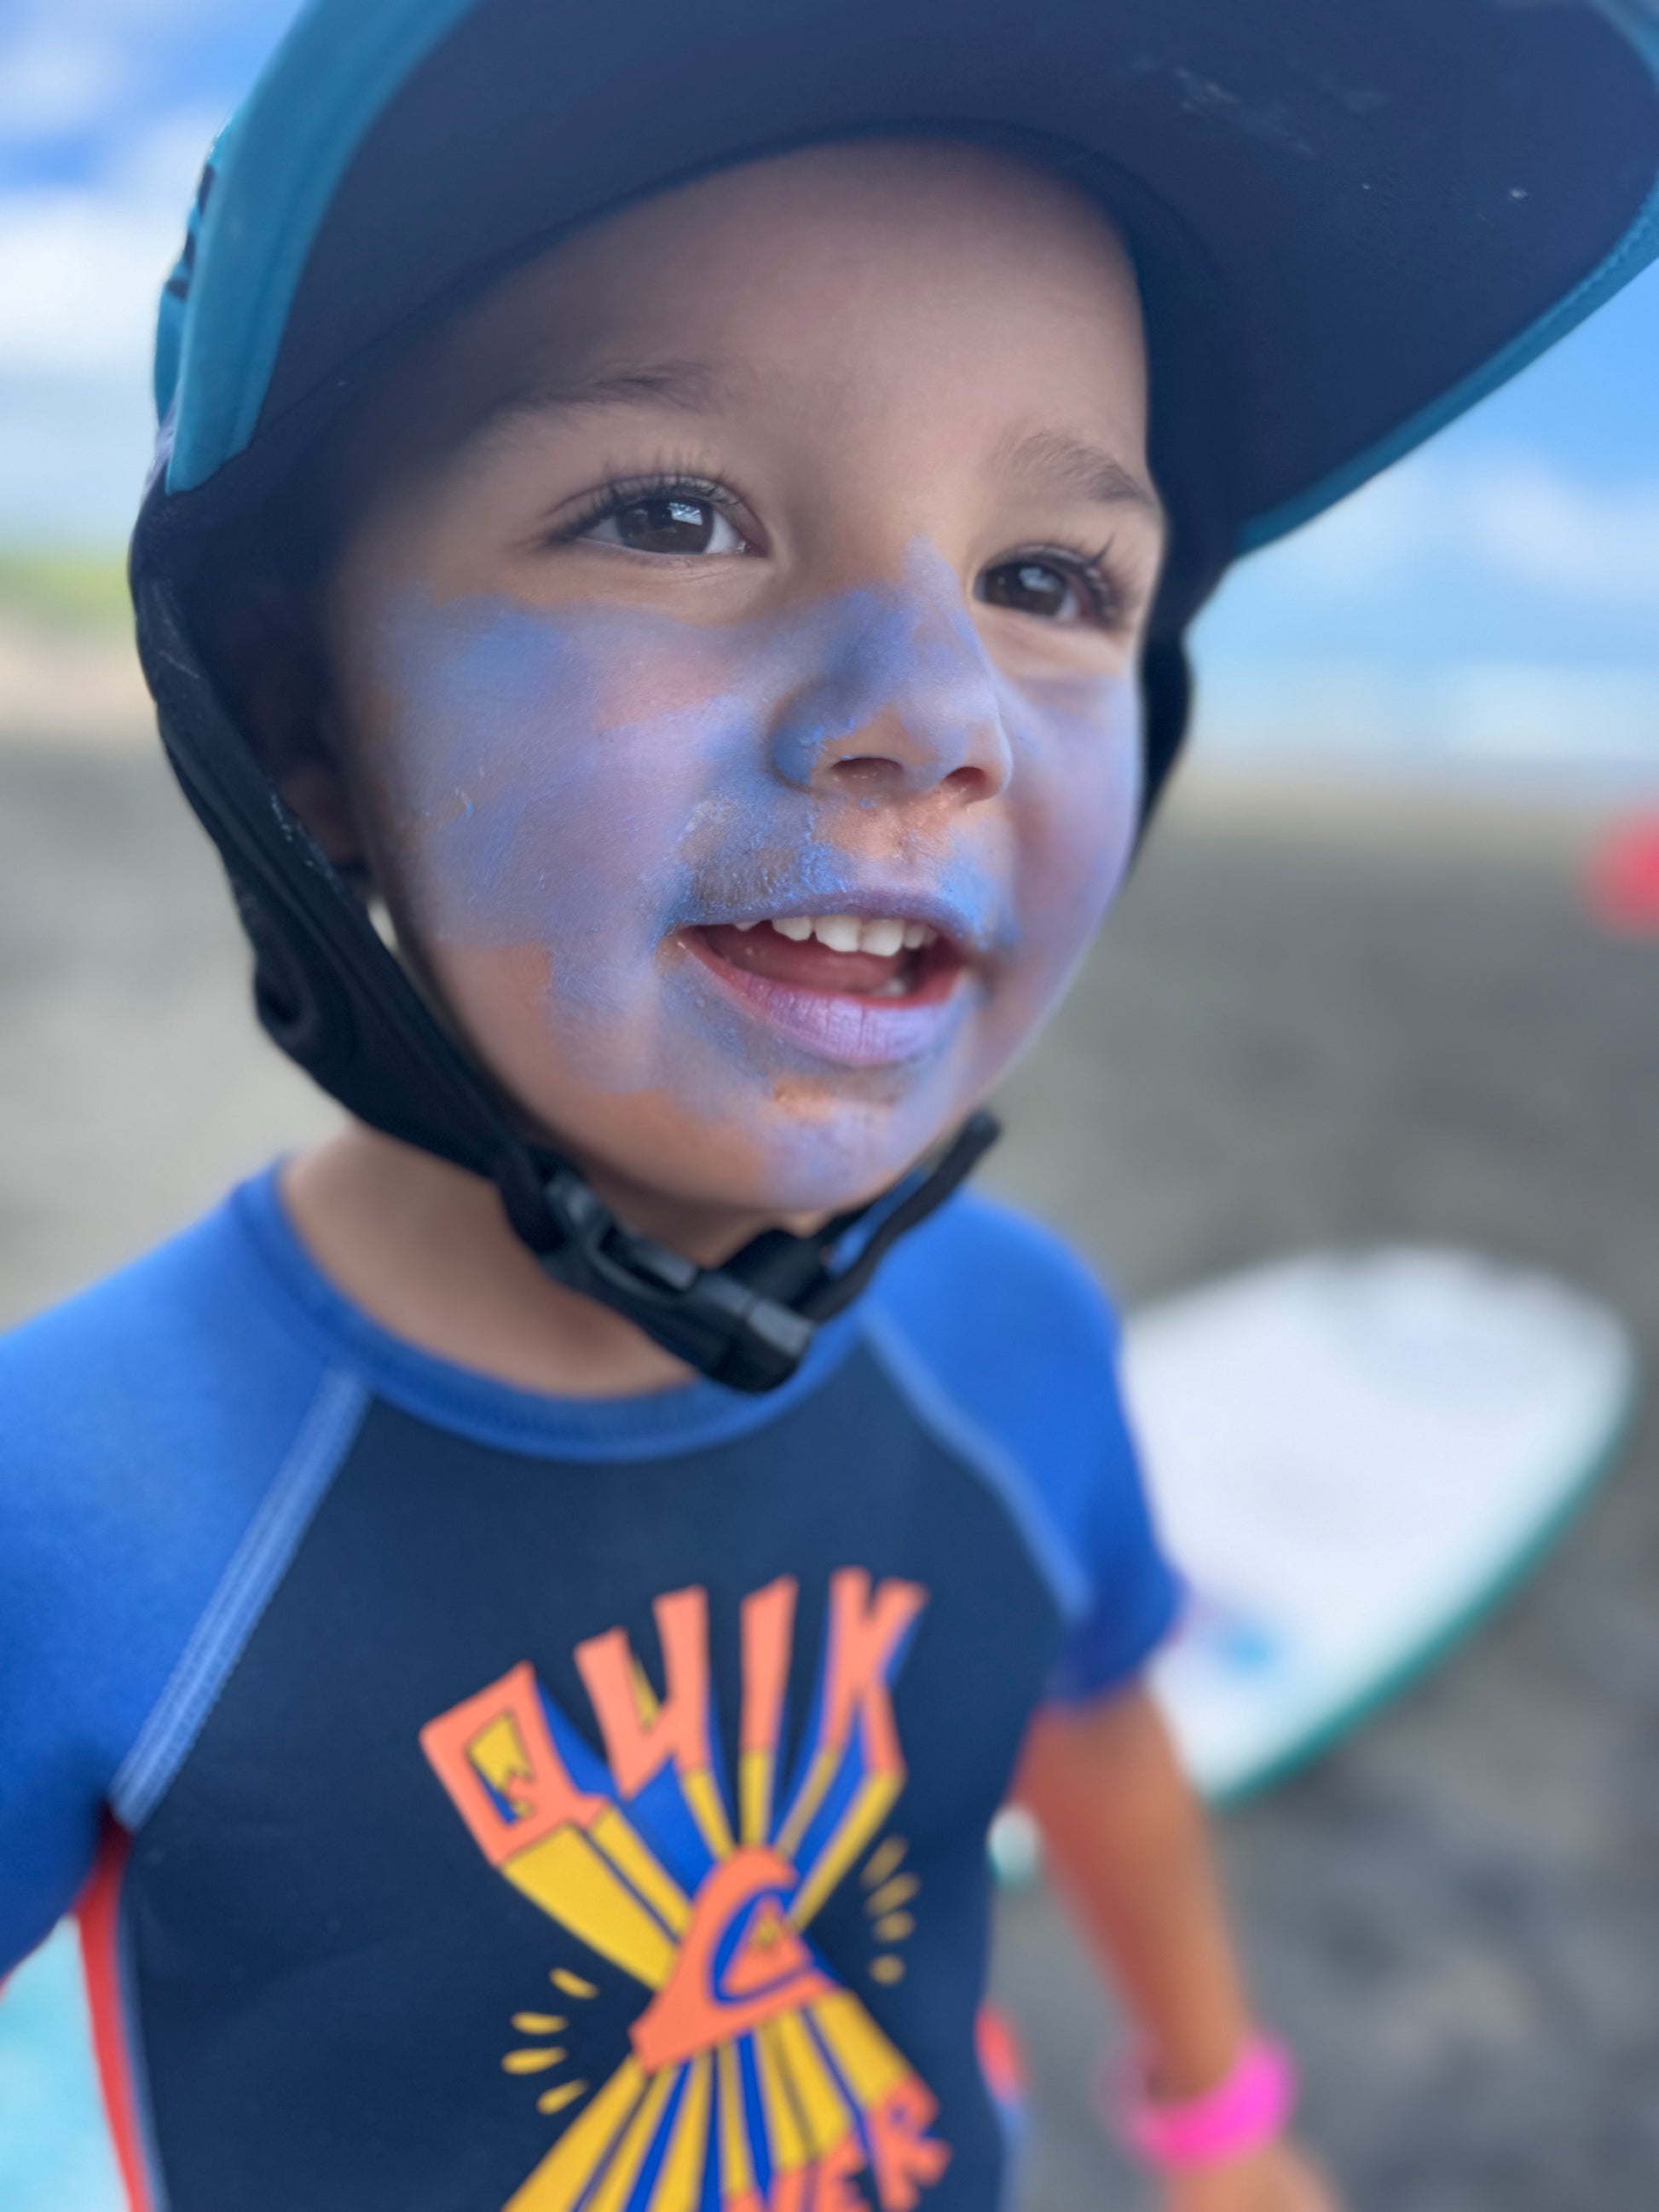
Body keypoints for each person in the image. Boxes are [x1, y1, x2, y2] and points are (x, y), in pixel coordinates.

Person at [3, 6, 1655, 2210]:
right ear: (300, 718)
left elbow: (1094, 1729)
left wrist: (1218, 2118)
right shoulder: (73, 1505)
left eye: (1046, 581)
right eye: (672, 516)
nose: (932, 712)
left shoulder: (1018, 1344)